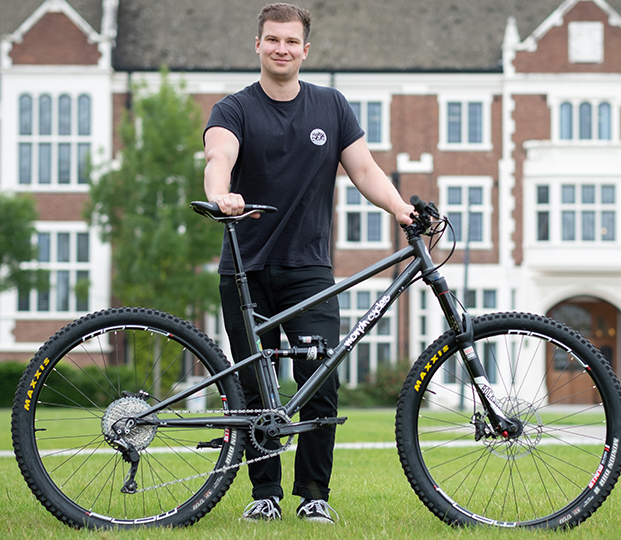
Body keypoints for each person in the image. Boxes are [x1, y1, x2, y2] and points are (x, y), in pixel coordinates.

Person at [202, 3, 414, 524]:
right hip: (245, 270)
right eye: (272, 39)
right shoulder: (233, 110)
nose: (282, 49)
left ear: (305, 50)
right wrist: (222, 195)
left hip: (309, 269)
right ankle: (264, 496)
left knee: (319, 380)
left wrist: (403, 210)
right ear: (258, 45)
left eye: (291, 42)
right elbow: (218, 157)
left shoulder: (332, 107)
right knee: (255, 388)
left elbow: (364, 169)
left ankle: (314, 494)